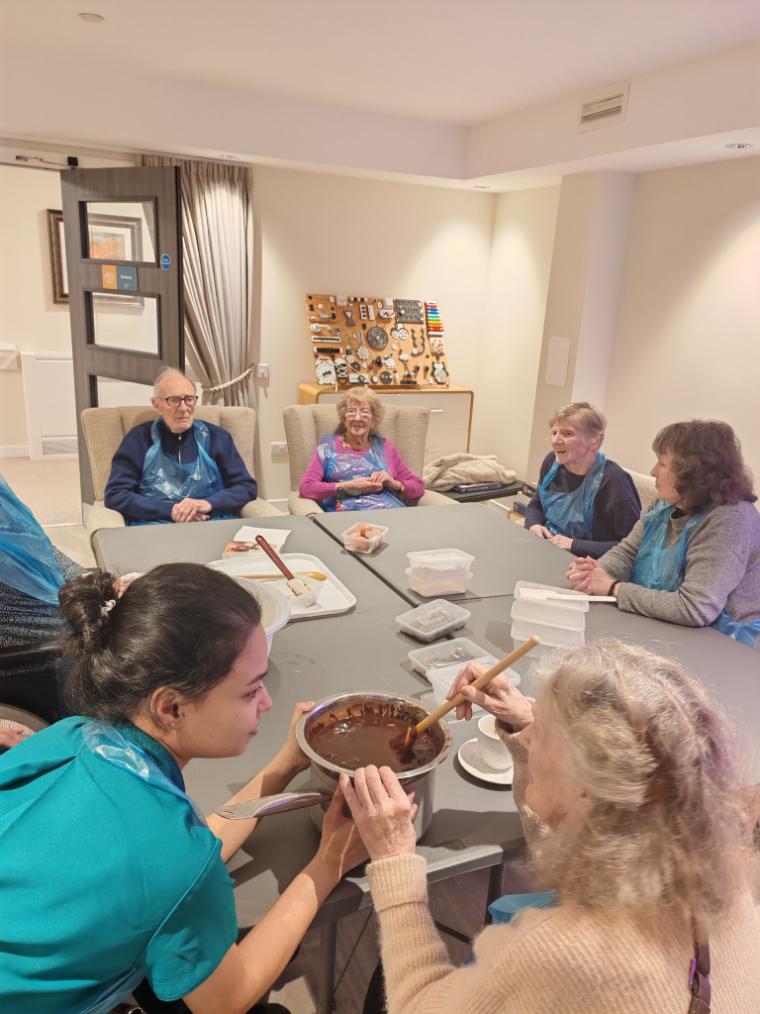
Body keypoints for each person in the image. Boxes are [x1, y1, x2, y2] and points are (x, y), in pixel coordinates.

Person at [0, 563, 365, 1013]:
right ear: (172, 706)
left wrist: (283, 765)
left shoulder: (74, 735)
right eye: (251, 691)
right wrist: (331, 861)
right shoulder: (169, 859)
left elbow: (174, 856)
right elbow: (226, 999)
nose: (268, 703)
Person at [340, 641, 760, 1013]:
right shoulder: (727, 873)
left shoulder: (560, 951)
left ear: (587, 788)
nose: (525, 739)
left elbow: (417, 1007)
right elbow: (591, 845)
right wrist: (529, 720)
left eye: (541, 731)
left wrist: (395, 861)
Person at [567, 420, 760, 647]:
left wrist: (612, 588)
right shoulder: (668, 502)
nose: (653, 471)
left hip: (725, 644)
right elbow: (628, 551)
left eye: (662, 464)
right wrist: (594, 574)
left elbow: (696, 607)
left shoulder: (730, 518)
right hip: (666, 624)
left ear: (692, 473)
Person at [104, 368, 259, 524]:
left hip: (210, 523)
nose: (184, 408)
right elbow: (116, 494)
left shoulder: (217, 437)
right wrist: (172, 510)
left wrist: (206, 504)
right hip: (156, 527)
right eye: (174, 400)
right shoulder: (138, 440)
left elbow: (246, 487)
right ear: (156, 404)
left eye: (189, 399)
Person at [525, 402, 640, 558]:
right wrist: (534, 524)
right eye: (554, 432)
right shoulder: (551, 461)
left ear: (594, 441)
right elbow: (536, 504)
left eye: (567, 434)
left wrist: (574, 544)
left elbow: (632, 548)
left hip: (589, 565)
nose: (556, 441)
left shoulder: (613, 481)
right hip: (548, 549)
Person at [299, 388, 425, 511]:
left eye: (364, 412)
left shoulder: (385, 447)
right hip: (346, 517)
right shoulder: (328, 448)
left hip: (388, 513)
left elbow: (418, 486)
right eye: (352, 411)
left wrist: (393, 483)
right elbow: (306, 488)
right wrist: (347, 486)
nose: (357, 418)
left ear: (373, 421)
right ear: (344, 418)